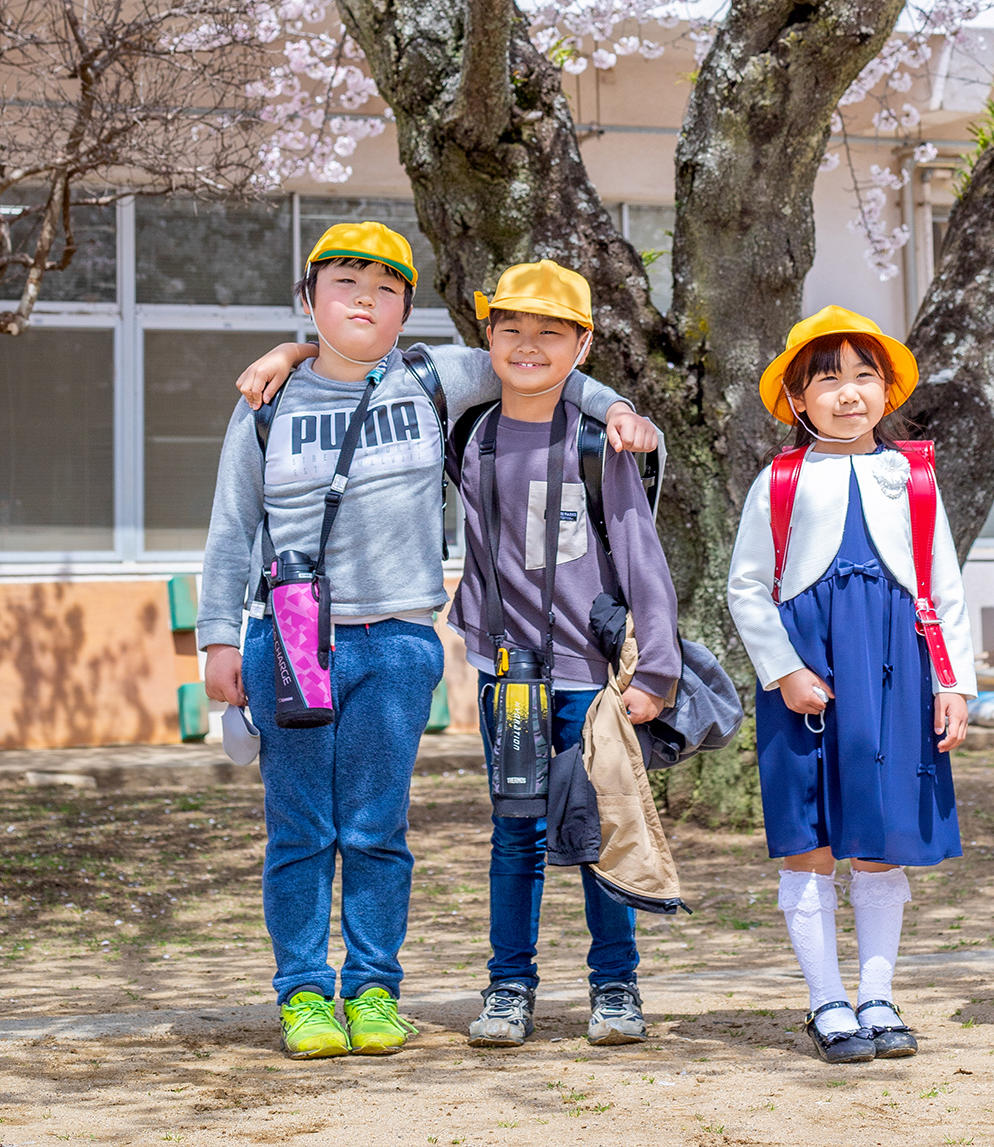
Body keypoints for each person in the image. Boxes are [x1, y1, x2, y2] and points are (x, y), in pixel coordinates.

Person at [198, 222, 655, 1060]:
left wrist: (618, 407)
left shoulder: (430, 374)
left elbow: (545, 369)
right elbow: (233, 528)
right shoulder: (265, 404)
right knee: (300, 829)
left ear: (408, 310)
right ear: (310, 299)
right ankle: (303, 993)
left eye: (385, 288)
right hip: (290, 636)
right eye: (344, 284)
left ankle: (374, 991)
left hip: (401, 640)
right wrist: (217, 639)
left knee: (376, 828)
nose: (364, 299)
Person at [726, 306, 973, 1066]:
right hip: (808, 677)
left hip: (897, 671)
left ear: (889, 389)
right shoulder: (782, 478)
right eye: (826, 379)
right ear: (797, 400)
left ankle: (877, 994)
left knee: (882, 834)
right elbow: (747, 587)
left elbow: (943, 583)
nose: (848, 393)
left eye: (864, 375)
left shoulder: (913, 474)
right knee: (812, 834)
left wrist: (953, 681)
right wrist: (786, 670)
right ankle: (825, 1000)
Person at [449, 259, 681, 1051]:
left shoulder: (597, 441)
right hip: (506, 679)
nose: (528, 345)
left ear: (580, 346)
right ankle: (508, 988)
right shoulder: (470, 435)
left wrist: (653, 671)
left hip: (589, 682)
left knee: (599, 833)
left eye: (550, 332)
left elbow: (643, 558)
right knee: (515, 837)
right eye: (511, 328)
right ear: (488, 337)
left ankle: (615, 987)